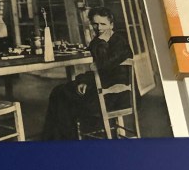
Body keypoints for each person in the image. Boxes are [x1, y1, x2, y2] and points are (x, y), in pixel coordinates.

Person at [42, 7, 132, 140]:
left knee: (61, 95)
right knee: (61, 92)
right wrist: (84, 81)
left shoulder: (118, 42)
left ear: (111, 25)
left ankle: (63, 140)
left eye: (103, 24)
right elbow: (100, 70)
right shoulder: (101, 41)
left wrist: (99, 42)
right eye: (95, 24)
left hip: (117, 97)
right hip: (106, 89)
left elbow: (103, 66)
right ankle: (62, 138)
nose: (99, 28)